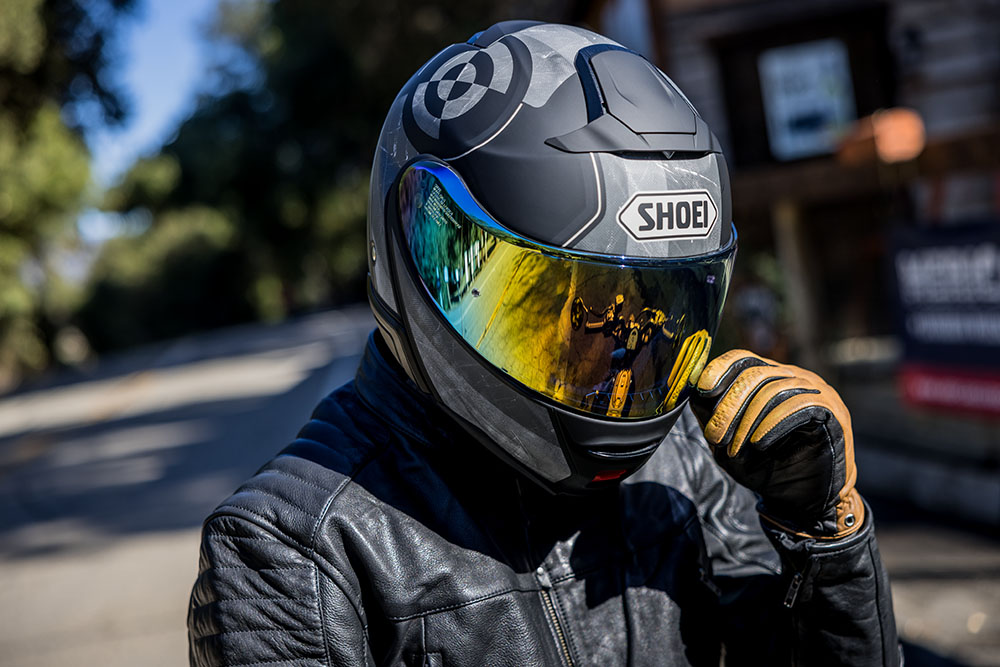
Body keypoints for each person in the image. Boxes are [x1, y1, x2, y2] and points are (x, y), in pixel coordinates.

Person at [188, 21, 900, 666]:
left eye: (656, 314)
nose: (618, 356)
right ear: (426, 248)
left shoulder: (686, 461)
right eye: (560, 307)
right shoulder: (294, 548)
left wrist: (823, 532)